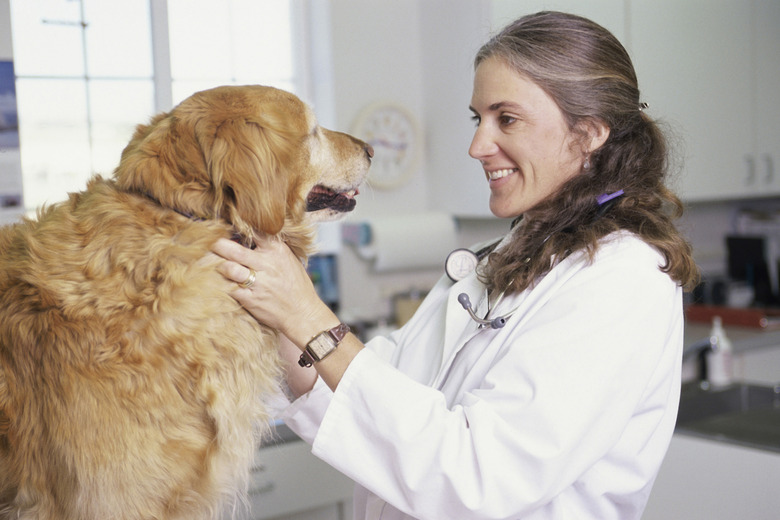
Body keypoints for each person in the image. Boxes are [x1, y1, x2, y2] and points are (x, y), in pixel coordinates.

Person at [213, 11, 698, 520]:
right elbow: (378, 390)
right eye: (478, 119)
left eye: (506, 119)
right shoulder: (502, 258)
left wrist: (308, 316)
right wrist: (269, 294)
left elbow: (479, 478)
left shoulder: (622, 280)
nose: (477, 146)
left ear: (590, 133)